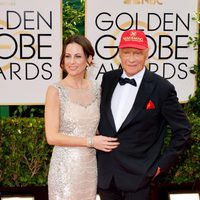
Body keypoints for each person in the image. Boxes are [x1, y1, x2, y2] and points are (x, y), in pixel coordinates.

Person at [97, 29, 191, 200]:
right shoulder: (108, 79)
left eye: (137, 53)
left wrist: (161, 166)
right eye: (126, 53)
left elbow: (183, 130)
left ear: (146, 54)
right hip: (106, 177)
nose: (131, 59)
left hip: (140, 179)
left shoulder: (162, 88)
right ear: (119, 54)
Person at [44, 35, 119, 200]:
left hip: (89, 167)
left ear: (89, 59)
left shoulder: (97, 89)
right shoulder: (55, 90)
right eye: (68, 56)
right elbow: (51, 137)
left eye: (78, 56)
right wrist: (91, 141)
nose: (72, 61)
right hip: (64, 168)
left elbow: (102, 126)